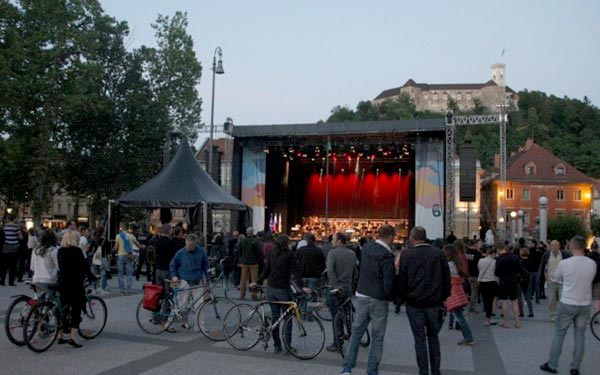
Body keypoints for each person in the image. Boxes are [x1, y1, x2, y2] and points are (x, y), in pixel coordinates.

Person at [341, 225, 396, 375]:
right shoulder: (387, 255)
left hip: (362, 294)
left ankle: (347, 367)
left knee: (356, 332)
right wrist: (391, 297)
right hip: (378, 298)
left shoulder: (366, 248)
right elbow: (388, 281)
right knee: (378, 336)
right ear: (391, 236)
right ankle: (372, 371)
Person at [540, 236, 597, 375]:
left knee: (559, 334)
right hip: (584, 303)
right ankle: (575, 367)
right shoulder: (592, 264)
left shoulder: (565, 263)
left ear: (571, 247)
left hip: (567, 302)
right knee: (580, 336)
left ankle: (552, 364)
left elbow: (557, 279)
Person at [398, 226, 450, 375]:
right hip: (434, 303)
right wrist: (444, 297)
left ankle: (423, 371)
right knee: (433, 337)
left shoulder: (407, 255)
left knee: (419, 339)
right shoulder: (438, 254)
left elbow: (402, 280)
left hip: (414, 303)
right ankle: (435, 370)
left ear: (412, 238)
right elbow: (446, 278)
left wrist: (403, 298)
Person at [254, 234, 309, 354]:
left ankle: (277, 345)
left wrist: (257, 282)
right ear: (287, 243)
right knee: (287, 318)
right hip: (283, 289)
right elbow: (296, 271)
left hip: (271, 288)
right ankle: (287, 346)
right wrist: (302, 286)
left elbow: (266, 269)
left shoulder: (272, 252)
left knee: (275, 318)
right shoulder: (289, 254)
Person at [57, 230, 96, 347]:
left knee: (62, 309)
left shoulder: (60, 251)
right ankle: (73, 337)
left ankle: (60, 335)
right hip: (75, 284)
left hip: (62, 283)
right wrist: (93, 277)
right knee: (76, 309)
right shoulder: (77, 251)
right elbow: (85, 267)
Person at [169, 233, 208, 331]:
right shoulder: (180, 253)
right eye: (187, 245)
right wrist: (174, 276)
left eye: (190, 246)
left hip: (197, 281)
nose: (188, 247)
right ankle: (171, 323)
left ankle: (200, 327)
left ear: (196, 244)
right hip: (184, 280)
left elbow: (205, 265)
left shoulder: (201, 252)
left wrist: (206, 279)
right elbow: (173, 265)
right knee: (182, 305)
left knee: (200, 305)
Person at [325, 232, 357, 352]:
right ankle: (348, 334)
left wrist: (335, 285)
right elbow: (355, 271)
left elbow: (330, 270)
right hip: (347, 287)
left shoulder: (332, 253)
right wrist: (351, 284)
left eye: (333, 239)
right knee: (346, 314)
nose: (332, 242)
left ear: (339, 241)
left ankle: (337, 342)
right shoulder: (352, 253)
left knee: (335, 315)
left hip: (335, 288)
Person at [443, 244, 474, 346]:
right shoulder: (456, 263)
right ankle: (467, 336)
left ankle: (468, 337)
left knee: (459, 316)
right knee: (458, 315)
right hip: (458, 291)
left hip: (453, 293)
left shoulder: (450, 265)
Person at [540, 240, 571, 322]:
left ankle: (562, 316)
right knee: (551, 300)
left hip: (562, 281)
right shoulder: (547, 255)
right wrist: (545, 278)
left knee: (563, 300)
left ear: (559, 246)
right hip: (551, 280)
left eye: (555, 245)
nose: (554, 247)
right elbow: (544, 267)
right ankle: (553, 316)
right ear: (550, 246)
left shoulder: (564, 254)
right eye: (552, 245)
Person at [495, 245, 523, 328]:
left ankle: (506, 322)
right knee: (514, 301)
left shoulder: (499, 259)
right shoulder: (515, 257)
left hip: (503, 280)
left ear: (500, 250)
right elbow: (519, 269)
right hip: (513, 280)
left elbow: (496, 272)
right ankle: (517, 322)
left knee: (505, 301)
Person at [296, 233, 326, 310]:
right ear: (314, 241)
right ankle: (310, 314)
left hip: (302, 275)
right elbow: (323, 264)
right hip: (314, 276)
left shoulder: (300, 250)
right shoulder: (318, 251)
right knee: (312, 295)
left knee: (302, 295)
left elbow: (295, 262)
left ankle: (302, 311)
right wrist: (319, 272)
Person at [112, 223, 141, 295]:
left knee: (120, 274)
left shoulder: (118, 236)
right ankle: (128, 291)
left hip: (121, 256)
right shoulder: (132, 236)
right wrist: (143, 246)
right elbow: (138, 245)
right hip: (129, 256)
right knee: (129, 274)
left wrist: (112, 251)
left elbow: (115, 248)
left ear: (121, 228)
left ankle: (121, 290)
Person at [30, 229, 59, 296]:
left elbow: (32, 267)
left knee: (40, 301)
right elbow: (58, 267)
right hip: (49, 279)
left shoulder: (35, 250)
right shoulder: (53, 250)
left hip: (36, 279)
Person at [238, 227, 262, 300]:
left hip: (244, 262)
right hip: (254, 262)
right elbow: (259, 252)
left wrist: (242, 258)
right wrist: (258, 259)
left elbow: (239, 251)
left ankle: (242, 295)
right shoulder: (256, 241)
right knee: (254, 279)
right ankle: (253, 295)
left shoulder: (242, 241)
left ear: (246, 232)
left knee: (243, 279)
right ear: (252, 233)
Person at [478, 246, 499, 326]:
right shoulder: (495, 262)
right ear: (492, 253)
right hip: (492, 282)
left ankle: (487, 315)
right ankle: (488, 318)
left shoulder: (481, 261)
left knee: (485, 300)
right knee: (490, 301)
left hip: (483, 282)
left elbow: (479, 269)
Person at [1, 215, 22, 286]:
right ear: (14, 219)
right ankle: (11, 282)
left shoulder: (4, 226)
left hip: (5, 247)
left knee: (4, 266)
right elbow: (20, 237)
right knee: (12, 266)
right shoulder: (16, 226)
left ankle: (2, 281)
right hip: (14, 248)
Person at [90, 228, 111, 294]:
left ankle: (94, 289)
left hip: (95, 258)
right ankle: (102, 288)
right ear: (103, 232)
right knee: (103, 274)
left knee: (95, 274)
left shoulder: (94, 240)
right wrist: (109, 260)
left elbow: (90, 248)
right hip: (103, 258)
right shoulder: (105, 240)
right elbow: (108, 252)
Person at [465, 240, 482, 313]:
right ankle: (472, 308)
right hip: (475, 275)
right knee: (474, 293)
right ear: (475, 244)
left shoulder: (465, 252)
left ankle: (464, 307)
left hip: (466, 275)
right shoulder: (478, 254)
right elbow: (480, 265)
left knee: (467, 291)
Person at [517, 248, 534, 318]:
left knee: (519, 297)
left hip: (520, 280)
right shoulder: (530, 262)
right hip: (528, 280)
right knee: (528, 297)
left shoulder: (519, 262)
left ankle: (521, 312)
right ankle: (531, 312)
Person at [589, 242, 600, 314]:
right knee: (597, 299)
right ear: (598, 248)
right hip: (598, 279)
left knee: (587, 298)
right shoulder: (599, 256)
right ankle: (595, 316)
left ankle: (586, 316)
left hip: (588, 279)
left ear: (591, 248)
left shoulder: (587, 256)